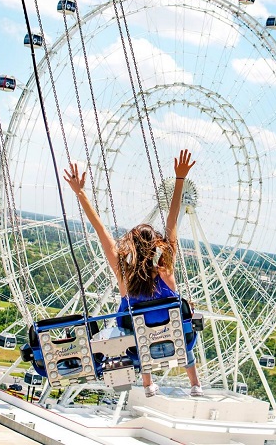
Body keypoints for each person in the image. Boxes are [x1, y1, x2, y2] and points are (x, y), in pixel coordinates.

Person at [64, 149, 203, 398]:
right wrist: (180, 179)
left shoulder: (125, 278)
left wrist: (80, 193)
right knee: (179, 334)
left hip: (141, 350)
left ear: (132, 248)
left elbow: (100, 230)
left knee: (139, 334)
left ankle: (148, 383)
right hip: (176, 343)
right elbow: (172, 222)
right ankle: (195, 384)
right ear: (156, 247)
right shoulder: (166, 271)